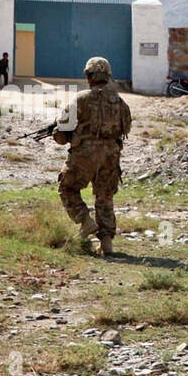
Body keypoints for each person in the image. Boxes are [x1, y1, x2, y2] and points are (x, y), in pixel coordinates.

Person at [54, 56, 132, 256]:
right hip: (111, 156)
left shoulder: (81, 99)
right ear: (108, 76)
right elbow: (126, 127)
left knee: (67, 187)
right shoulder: (120, 102)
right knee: (105, 197)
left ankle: (85, 221)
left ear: (89, 76)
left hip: (84, 155)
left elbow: (61, 134)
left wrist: (66, 135)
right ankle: (107, 245)